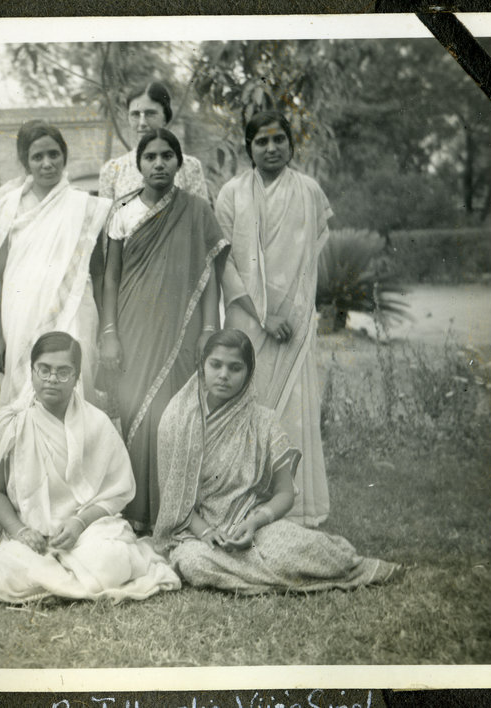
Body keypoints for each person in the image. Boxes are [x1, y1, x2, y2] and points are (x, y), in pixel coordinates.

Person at [153, 329, 402, 593]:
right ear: (202, 367)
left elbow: (284, 494)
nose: (223, 375)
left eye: (235, 368)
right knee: (191, 561)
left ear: (249, 373)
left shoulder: (264, 421)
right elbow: (174, 500)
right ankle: (280, 576)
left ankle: (255, 574)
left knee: (318, 550)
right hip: (201, 534)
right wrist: (205, 533)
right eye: (215, 365)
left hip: (257, 527)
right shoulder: (179, 419)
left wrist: (253, 524)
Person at [0, 332, 181, 603]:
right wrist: (21, 532)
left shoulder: (97, 423)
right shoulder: (14, 424)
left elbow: (117, 493)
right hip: (33, 535)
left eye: (63, 372)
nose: (52, 379)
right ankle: (72, 582)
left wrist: (78, 522)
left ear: (76, 377)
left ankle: (52, 585)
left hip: (88, 531)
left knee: (111, 559)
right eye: (44, 370)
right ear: (32, 371)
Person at [98, 129, 229, 533]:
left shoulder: (197, 210)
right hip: (132, 327)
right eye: (151, 157)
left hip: (183, 329)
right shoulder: (121, 211)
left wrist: (209, 327)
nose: (159, 163)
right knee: (137, 411)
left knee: (174, 416)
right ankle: (137, 513)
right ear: (138, 165)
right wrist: (109, 333)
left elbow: (209, 276)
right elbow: (110, 278)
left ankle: (175, 511)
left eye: (167, 156)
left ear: (179, 163)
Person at [215, 110, 333, 527]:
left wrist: (288, 314)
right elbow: (224, 262)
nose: (271, 148)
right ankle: (239, 506)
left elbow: (308, 264)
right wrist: (263, 315)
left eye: (279, 139)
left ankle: (296, 511)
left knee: (292, 410)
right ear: (248, 148)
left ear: (290, 143)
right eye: (261, 141)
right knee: (246, 405)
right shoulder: (230, 193)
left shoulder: (310, 191)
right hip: (246, 320)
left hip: (294, 323)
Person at [0, 122, 111, 406]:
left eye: (54, 154)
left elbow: (98, 272)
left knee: (75, 390)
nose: (47, 163)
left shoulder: (85, 206)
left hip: (76, 310)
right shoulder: (9, 206)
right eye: (37, 157)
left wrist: (105, 327)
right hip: (21, 312)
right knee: (25, 396)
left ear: (64, 156)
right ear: (25, 162)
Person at [98, 82, 210, 203]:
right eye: (135, 114)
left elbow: (201, 218)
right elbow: (105, 220)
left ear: (165, 117)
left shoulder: (189, 167)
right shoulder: (113, 170)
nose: (142, 123)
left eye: (150, 113)